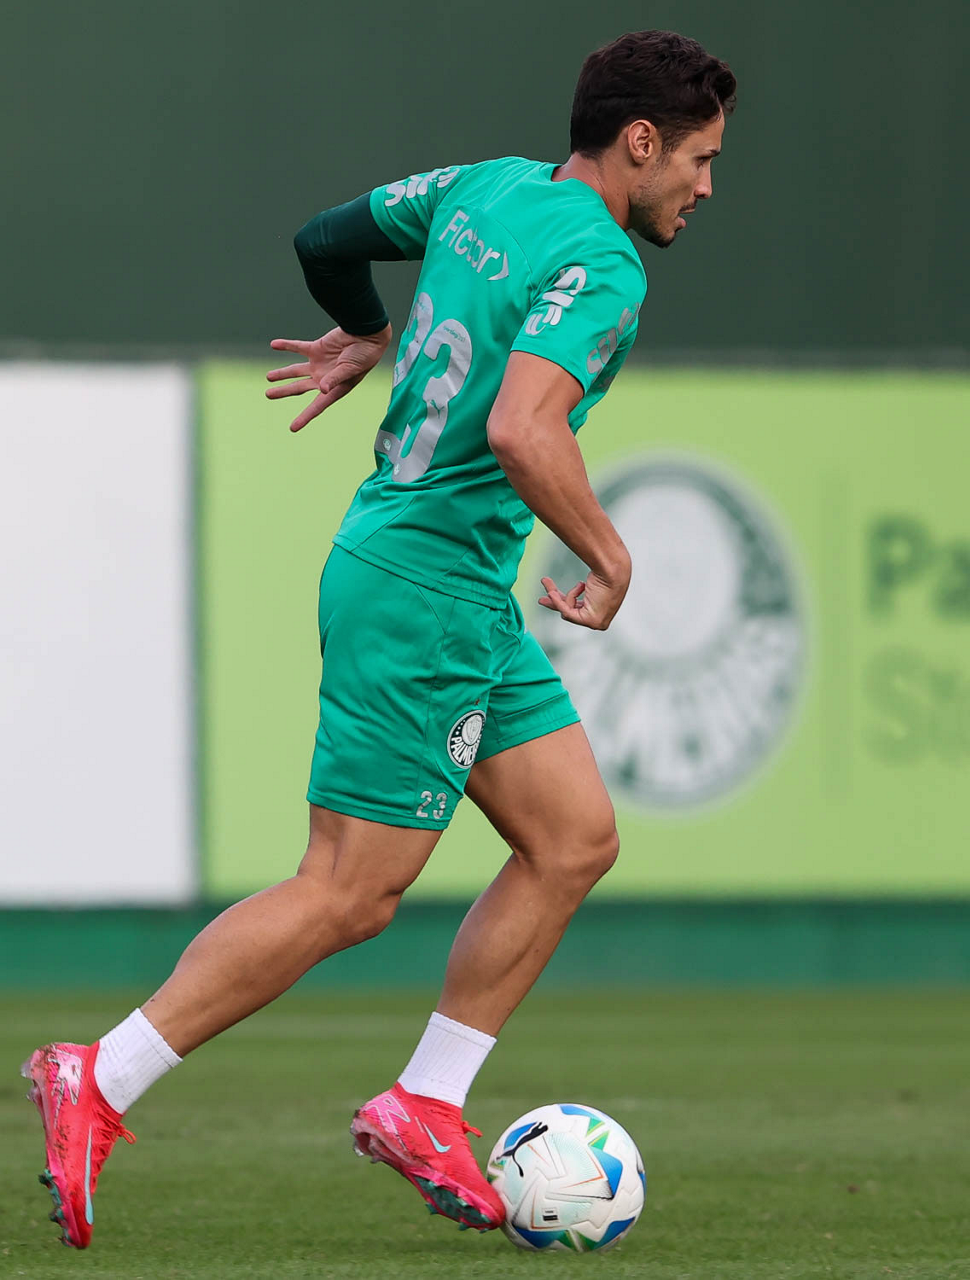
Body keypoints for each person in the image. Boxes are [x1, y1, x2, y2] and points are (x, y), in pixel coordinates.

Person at [22, 29, 735, 1249]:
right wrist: (611, 556)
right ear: (637, 142)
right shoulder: (604, 264)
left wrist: (366, 328)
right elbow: (523, 430)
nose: (705, 185)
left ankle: (424, 1101)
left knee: (572, 838)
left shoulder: (483, 187)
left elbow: (324, 240)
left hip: (441, 578)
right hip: (425, 592)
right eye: (699, 158)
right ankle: (104, 1072)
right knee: (349, 891)